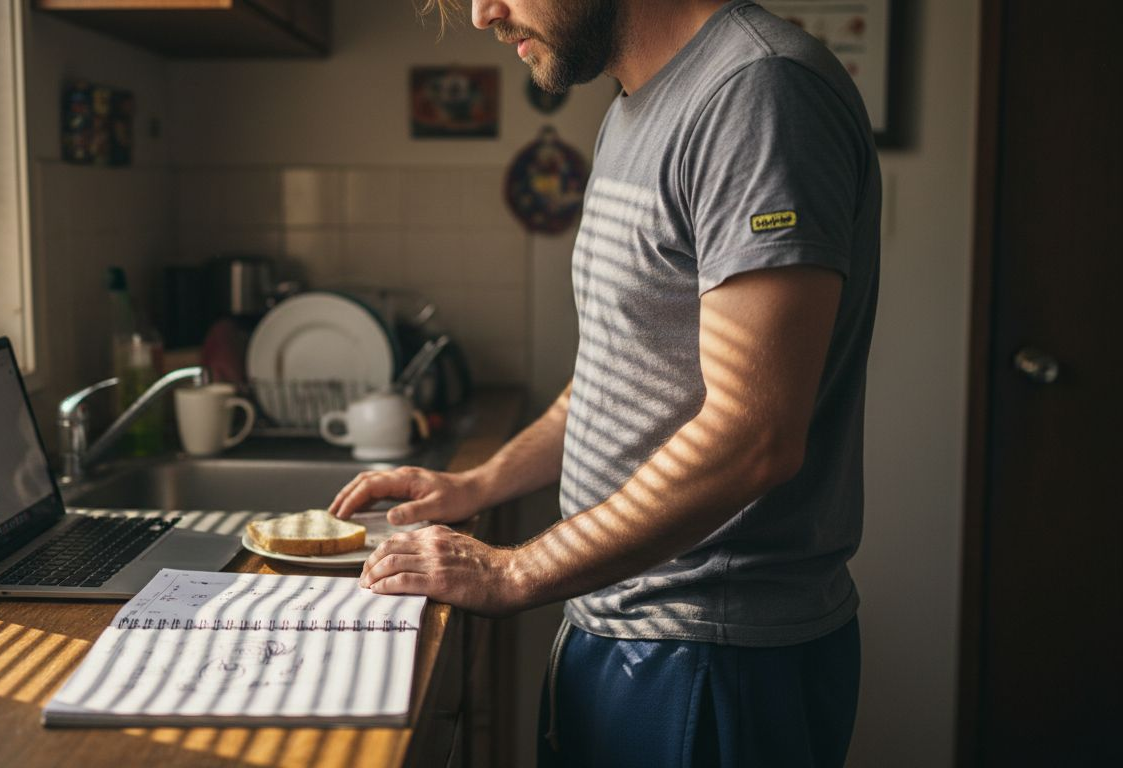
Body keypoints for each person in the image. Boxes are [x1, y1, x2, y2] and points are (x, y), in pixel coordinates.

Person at [328, 1, 881, 765]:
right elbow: (617, 375)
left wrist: (515, 569)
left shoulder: (759, 91)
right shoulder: (637, 107)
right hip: (624, 630)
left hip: (711, 655)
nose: (486, 13)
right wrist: (480, 484)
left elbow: (754, 437)